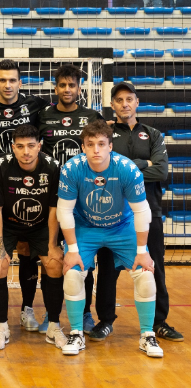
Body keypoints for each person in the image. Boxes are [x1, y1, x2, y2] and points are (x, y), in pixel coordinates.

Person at [57, 120, 163, 358]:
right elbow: (64, 211)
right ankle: (76, 333)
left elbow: (142, 212)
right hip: (86, 228)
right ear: (83, 147)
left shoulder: (126, 169)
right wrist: (71, 249)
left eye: (101, 144)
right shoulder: (71, 168)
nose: (96, 150)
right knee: (72, 273)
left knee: (145, 274)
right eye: (90, 144)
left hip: (121, 228)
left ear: (110, 146)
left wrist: (142, 251)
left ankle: (147, 335)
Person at [92, 82, 183, 342]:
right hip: (113, 215)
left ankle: (159, 322)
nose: (125, 104)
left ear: (137, 102)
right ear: (112, 105)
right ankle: (105, 321)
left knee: (155, 267)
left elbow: (161, 171)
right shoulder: (106, 134)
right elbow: (102, 169)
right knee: (107, 269)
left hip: (150, 212)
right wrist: (144, 163)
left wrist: (124, 169)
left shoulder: (153, 134)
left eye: (129, 99)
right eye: (119, 100)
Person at [0, 59, 49, 332]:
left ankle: (27, 309)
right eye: (2, 80)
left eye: (12, 80)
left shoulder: (35, 105)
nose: (7, 85)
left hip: (29, 187)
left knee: (27, 251)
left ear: (20, 82)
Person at [37, 64, 104, 334]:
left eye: (72, 85)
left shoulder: (91, 116)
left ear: (79, 88)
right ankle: (51, 313)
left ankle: (86, 312)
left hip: (84, 197)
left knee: (82, 258)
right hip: (50, 196)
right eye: (62, 85)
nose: (67, 89)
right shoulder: (43, 115)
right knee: (51, 256)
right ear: (55, 88)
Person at [0, 124, 65, 350]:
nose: (26, 151)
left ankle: (54, 326)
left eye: (31, 146)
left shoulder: (52, 167)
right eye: (20, 147)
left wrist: (52, 245)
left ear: (39, 146)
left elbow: (54, 209)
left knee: (54, 264)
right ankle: (2, 327)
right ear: (13, 147)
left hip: (41, 225)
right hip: (9, 225)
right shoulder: (1, 166)